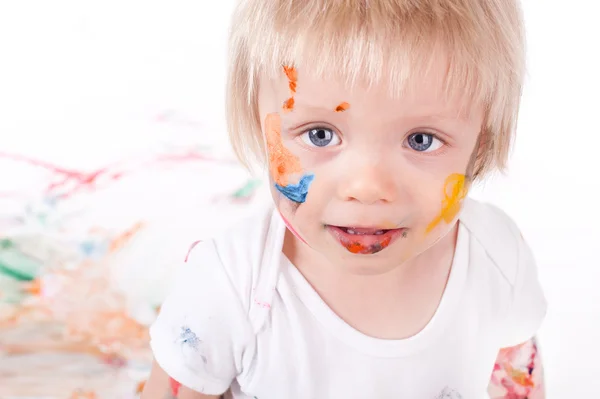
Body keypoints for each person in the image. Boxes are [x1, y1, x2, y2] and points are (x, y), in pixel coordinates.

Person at [142, 0, 547, 398]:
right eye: (320, 134)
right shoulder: (228, 287)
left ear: (483, 142)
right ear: (257, 122)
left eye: (421, 140)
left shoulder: (497, 258)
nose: (367, 186)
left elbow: (515, 376)